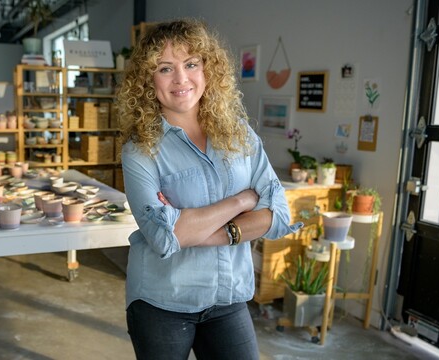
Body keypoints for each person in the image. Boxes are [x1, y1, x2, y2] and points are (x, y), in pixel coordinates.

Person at [116, 18, 302, 360]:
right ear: (147, 80)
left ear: (207, 69)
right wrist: (244, 200)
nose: (181, 79)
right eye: (165, 68)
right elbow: (163, 236)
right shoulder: (140, 149)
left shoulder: (240, 134)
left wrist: (200, 229)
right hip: (162, 303)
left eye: (191, 64)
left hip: (228, 299)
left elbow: (277, 214)